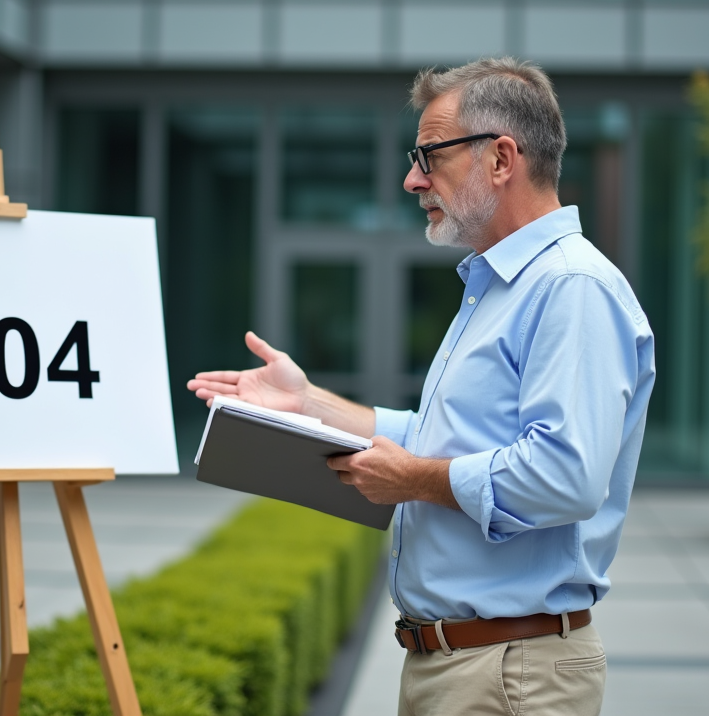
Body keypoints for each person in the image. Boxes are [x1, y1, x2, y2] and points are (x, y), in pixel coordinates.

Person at [187, 57, 655, 716]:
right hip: (472, 667)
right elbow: (441, 441)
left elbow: (565, 475)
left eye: (429, 155)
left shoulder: (570, 288)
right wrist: (309, 404)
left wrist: (414, 480)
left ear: (501, 159)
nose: (412, 179)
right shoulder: (502, 289)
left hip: (508, 674)